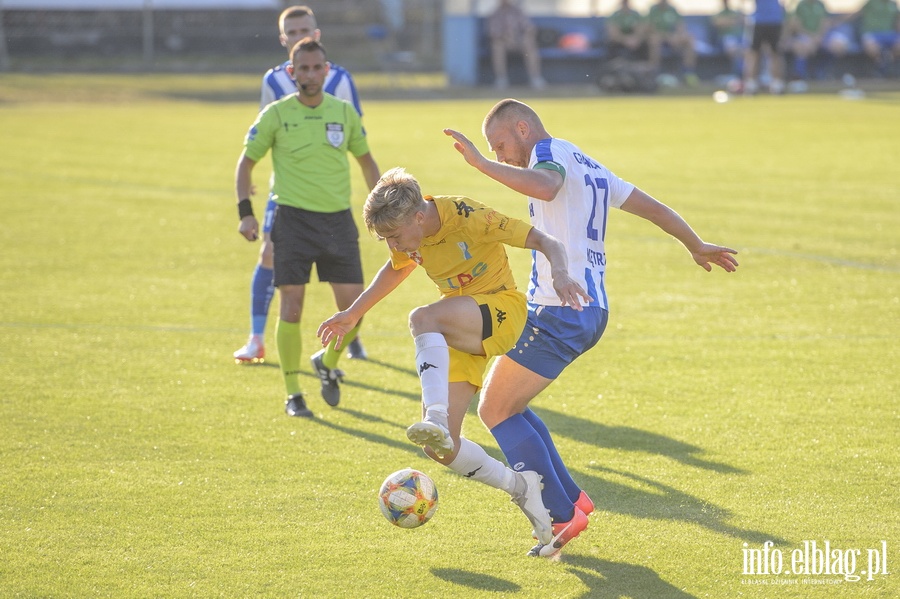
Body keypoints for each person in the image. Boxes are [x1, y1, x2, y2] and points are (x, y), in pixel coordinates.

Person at [444, 99, 739, 557]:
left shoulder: (550, 157)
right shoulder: (586, 161)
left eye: (501, 145)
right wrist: (694, 243)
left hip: (560, 308)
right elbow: (652, 206)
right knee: (508, 404)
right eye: (493, 152)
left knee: (495, 409)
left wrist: (480, 166)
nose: (501, 156)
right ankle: (573, 499)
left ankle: (562, 516)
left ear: (523, 129)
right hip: (589, 309)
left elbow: (544, 187)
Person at [317, 166, 592, 552]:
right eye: (384, 238)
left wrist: (560, 274)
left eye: (393, 236)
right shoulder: (406, 237)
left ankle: (434, 417)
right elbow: (395, 270)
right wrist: (352, 313)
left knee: (421, 318)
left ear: (418, 216)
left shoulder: (467, 216)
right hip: (458, 326)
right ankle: (522, 488)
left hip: (501, 309)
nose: (392, 244)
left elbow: (545, 240)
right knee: (441, 448)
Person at [234, 38, 380, 417]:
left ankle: (327, 363)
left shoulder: (344, 113)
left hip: (337, 221)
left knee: (355, 308)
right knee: (292, 309)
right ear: (291, 71)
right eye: (304, 69)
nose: (311, 75)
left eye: (317, 68)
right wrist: (246, 213)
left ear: (326, 70)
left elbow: (366, 162)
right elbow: (245, 164)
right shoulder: (276, 115)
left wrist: (383, 207)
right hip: (292, 220)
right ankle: (293, 393)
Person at [487, 0, 547, 89]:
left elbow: (529, 28)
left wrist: (525, 37)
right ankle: (501, 79)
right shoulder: (495, 13)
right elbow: (494, 34)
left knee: (529, 44)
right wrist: (507, 39)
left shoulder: (518, 11)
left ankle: (535, 78)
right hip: (504, 43)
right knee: (497, 46)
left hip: (520, 42)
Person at [645, 0, 699, 85]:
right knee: (654, 40)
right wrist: (666, 36)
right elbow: (649, 28)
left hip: (673, 38)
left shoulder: (672, 9)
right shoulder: (653, 10)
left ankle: (689, 73)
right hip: (660, 38)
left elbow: (680, 26)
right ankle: (654, 74)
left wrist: (677, 36)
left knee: (689, 40)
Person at [742, 0, 787, 95]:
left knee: (775, 52)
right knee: (754, 53)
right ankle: (751, 83)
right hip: (759, 20)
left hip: (775, 20)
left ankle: (777, 83)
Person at [844, 0, 900, 76]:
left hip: (889, 34)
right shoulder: (871, 2)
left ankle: (889, 63)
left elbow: (898, 21)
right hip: (871, 33)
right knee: (870, 46)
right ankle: (880, 66)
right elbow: (857, 14)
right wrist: (839, 21)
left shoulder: (893, 5)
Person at [712, 0, 746, 81]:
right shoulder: (719, 13)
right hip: (726, 38)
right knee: (732, 49)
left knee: (749, 50)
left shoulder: (735, 12)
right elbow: (717, 23)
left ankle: (746, 75)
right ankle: (736, 74)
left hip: (739, 38)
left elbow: (744, 20)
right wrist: (734, 21)